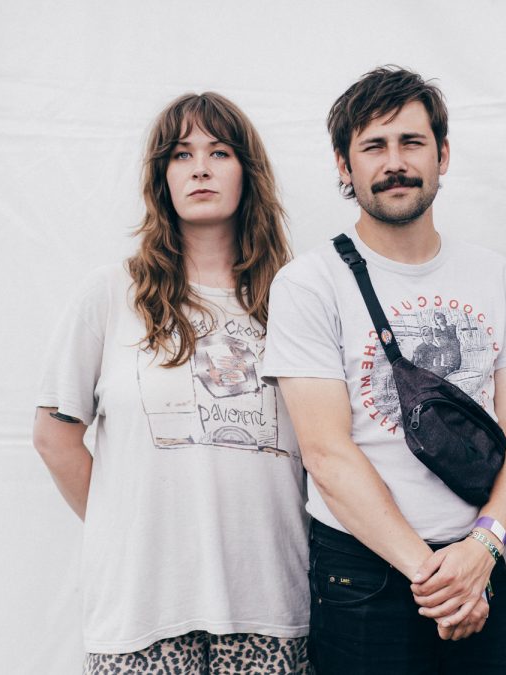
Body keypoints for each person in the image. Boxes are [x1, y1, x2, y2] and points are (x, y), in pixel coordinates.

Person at [261, 66, 506, 674]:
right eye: (373, 146)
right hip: (364, 579)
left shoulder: (494, 275)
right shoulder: (309, 284)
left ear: (442, 155)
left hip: (482, 566)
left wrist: (484, 548)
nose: (395, 162)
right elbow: (327, 455)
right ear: (344, 165)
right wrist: (435, 580)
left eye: (411, 143)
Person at [32, 92, 310, 674]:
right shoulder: (111, 294)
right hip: (142, 612)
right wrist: (129, 522)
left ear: (247, 173)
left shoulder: (296, 300)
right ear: (162, 177)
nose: (201, 167)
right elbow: (55, 437)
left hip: (268, 607)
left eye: (220, 151)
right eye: (181, 155)